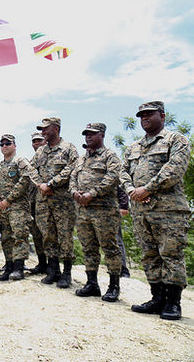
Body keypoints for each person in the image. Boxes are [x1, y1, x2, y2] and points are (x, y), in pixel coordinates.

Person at [122, 101, 191, 320]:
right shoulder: (133, 147)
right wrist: (132, 189)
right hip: (141, 210)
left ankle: (173, 302)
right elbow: (123, 173)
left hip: (169, 211)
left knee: (170, 254)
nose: (144, 119)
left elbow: (174, 170)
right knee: (149, 255)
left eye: (149, 115)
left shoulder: (176, 140)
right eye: (141, 115)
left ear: (162, 116)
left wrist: (147, 188)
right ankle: (157, 298)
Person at [70, 123, 122, 302]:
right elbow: (72, 179)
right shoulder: (81, 159)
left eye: (92, 134)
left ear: (102, 135)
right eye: (86, 134)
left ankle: (114, 286)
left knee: (110, 248)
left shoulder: (110, 156)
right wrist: (74, 192)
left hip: (104, 211)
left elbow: (113, 178)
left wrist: (93, 193)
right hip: (83, 211)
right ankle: (92, 283)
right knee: (88, 247)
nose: (88, 137)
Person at [31, 117, 79, 288]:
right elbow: (31, 170)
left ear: (56, 129)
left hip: (62, 201)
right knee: (48, 235)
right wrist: (40, 185)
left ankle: (66, 273)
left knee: (65, 235)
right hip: (43, 201)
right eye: (41, 129)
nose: (43, 131)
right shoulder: (41, 151)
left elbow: (71, 169)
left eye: (46, 128)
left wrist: (51, 184)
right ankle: (53, 270)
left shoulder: (69, 149)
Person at [0, 134, 39, 282]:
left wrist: (8, 199)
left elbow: (25, 180)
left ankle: (19, 268)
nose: (4, 146)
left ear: (15, 146)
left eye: (8, 143)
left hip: (18, 207)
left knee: (19, 236)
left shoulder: (20, 161)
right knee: (6, 238)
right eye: (2, 144)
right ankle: (9, 266)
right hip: (3, 208)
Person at [28, 132, 47, 275]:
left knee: (49, 234)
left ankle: (53, 265)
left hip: (48, 203)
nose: (36, 144)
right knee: (36, 233)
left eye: (39, 140)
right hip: (32, 203)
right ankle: (42, 262)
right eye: (34, 141)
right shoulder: (30, 162)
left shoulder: (51, 158)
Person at [116, 186, 131, 277]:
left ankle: (123, 269)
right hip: (88, 207)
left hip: (111, 206)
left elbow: (120, 184)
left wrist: (124, 205)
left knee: (116, 239)